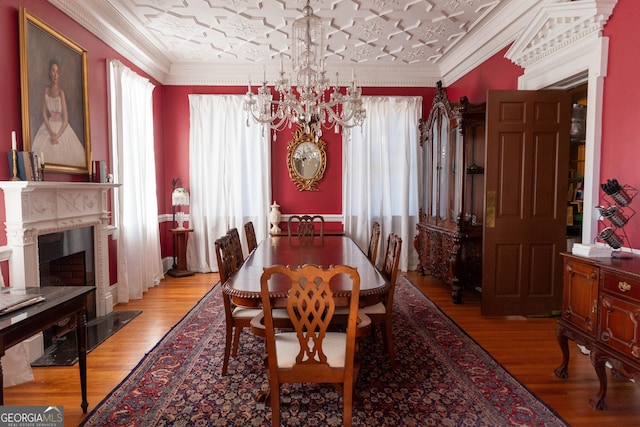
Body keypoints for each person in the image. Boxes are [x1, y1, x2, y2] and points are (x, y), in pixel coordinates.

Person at [31, 59, 86, 167]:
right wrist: (51, 133)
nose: (55, 75)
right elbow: (44, 114)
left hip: (61, 128)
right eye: (53, 71)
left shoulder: (61, 92)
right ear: (49, 73)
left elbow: (65, 120)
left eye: (57, 72)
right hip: (49, 126)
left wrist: (57, 136)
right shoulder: (46, 90)